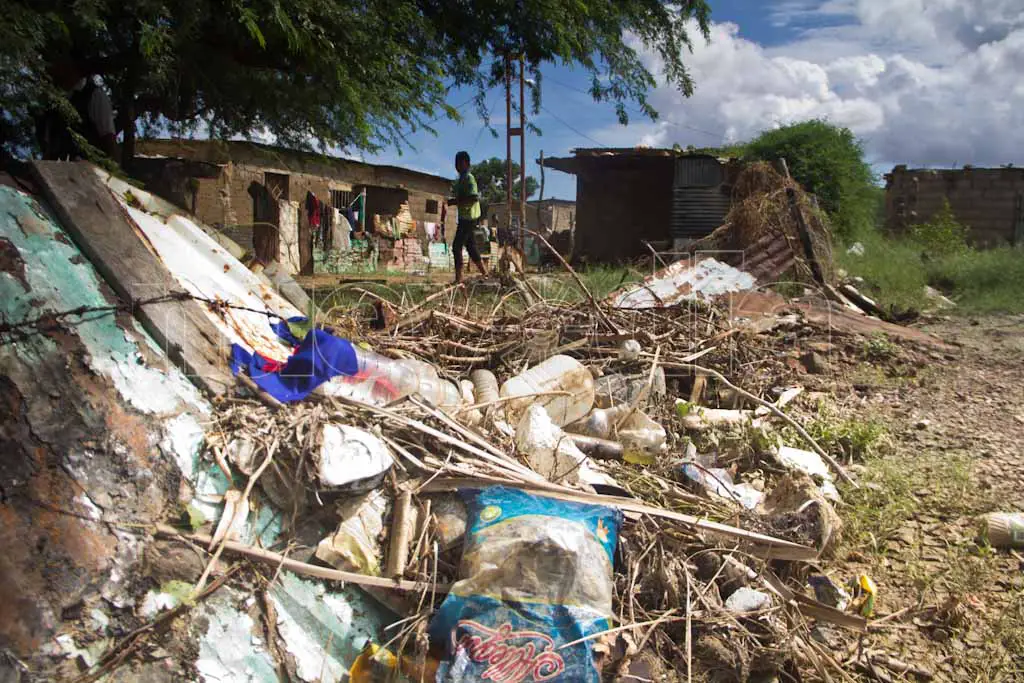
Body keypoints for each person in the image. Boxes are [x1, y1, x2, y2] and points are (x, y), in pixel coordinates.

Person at [36, 49, 118, 162]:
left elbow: (109, 139)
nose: (49, 69)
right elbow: (49, 150)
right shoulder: (53, 103)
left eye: (57, 63)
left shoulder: (94, 95)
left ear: (70, 65)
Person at [448, 151, 488, 284]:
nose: (457, 166)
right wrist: (454, 200)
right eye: (456, 163)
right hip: (465, 217)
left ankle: (459, 278)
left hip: (469, 217)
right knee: (470, 246)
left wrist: (455, 201)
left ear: (466, 163)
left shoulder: (469, 178)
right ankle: (485, 273)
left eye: (459, 163)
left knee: (456, 246)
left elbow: (474, 197)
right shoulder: (460, 180)